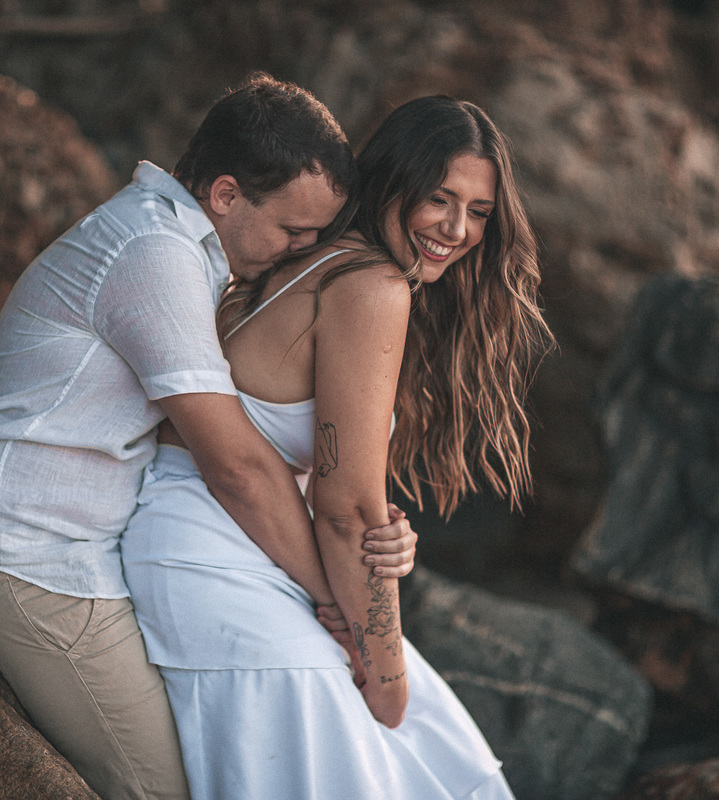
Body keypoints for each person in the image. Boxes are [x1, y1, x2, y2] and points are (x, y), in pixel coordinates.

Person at [0, 73, 420, 800]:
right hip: (25, 555)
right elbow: (237, 466)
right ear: (225, 194)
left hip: (79, 547)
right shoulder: (154, 252)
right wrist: (335, 599)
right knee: (165, 787)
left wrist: (379, 544)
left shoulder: (181, 247)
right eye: (294, 231)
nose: (299, 252)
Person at [121, 95, 552, 799]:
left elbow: (330, 487)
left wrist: (380, 541)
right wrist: (385, 676)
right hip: (215, 564)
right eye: (438, 199)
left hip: (210, 539)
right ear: (392, 184)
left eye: (479, 212)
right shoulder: (373, 287)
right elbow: (346, 507)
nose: (456, 228)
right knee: (396, 727)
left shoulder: (305, 262)